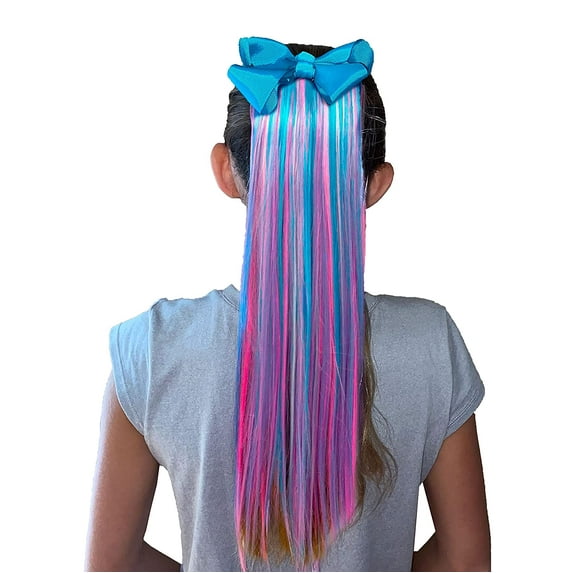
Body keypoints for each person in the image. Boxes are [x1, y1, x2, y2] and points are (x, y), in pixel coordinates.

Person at [85, 37, 491, 572]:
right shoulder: (430, 344)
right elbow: (466, 560)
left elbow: (111, 563)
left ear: (225, 171)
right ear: (375, 185)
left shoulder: (152, 349)